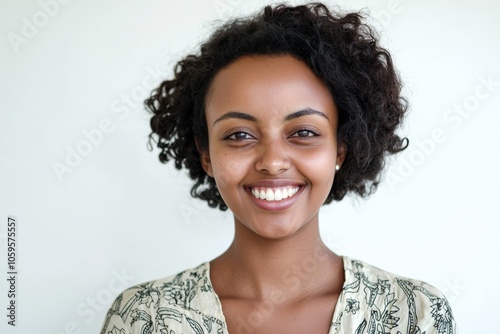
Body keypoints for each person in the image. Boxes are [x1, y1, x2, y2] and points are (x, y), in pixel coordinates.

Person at [100, 3, 457, 333]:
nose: (272, 161)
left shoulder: (415, 314)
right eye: (239, 135)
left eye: (303, 132)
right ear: (205, 153)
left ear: (341, 148)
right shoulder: (142, 317)